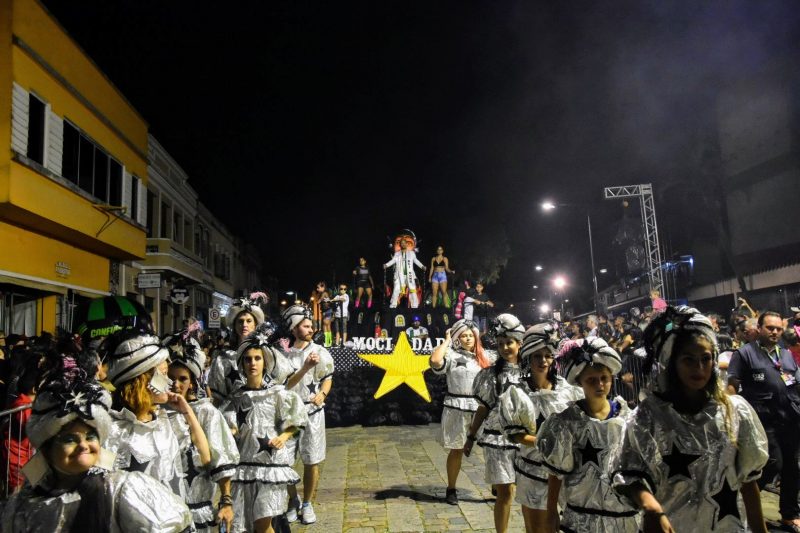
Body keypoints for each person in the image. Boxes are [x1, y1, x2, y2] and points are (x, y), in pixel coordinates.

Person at [612, 306, 769, 533]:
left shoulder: (736, 412)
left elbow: (748, 482)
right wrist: (652, 506)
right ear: (671, 362)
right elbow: (630, 474)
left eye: (705, 359)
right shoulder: (649, 417)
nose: (699, 368)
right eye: (688, 360)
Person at [2, 357, 193, 532]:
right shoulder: (23, 503)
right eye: (70, 439)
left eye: (91, 436)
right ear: (47, 446)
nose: (83, 445)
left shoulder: (121, 489)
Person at [537, 337, 638, 533]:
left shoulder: (629, 420)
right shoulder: (566, 423)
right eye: (591, 380)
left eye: (604, 378)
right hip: (581, 519)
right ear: (580, 382)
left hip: (623, 519)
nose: (599, 385)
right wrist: (550, 511)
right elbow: (556, 473)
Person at [103, 330, 211, 499]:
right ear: (142, 380)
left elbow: (204, 458)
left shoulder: (165, 419)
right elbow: (102, 489)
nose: (170, 382)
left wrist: (187, 412)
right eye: (163, 374)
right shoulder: (111, 429)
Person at [498, 323, 583, 532]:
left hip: (565, 474)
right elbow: (515, 434)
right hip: (532, 471)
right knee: (535, 529)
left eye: (547, 356)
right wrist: (544, 444)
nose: (543, 361)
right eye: (537, 356)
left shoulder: (568, 390)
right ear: (528, 358)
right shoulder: (518, 392)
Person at [222, 330, 308, 533]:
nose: (253, 363)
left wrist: (284, 436)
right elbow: (227, 423)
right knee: (246, 525)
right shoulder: (236, 397)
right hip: (244, 468)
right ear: (242, 364)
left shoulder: (277, 394)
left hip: (270, 466)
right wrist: (231, 428)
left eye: (257, 358)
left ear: (265, 362)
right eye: (248, 359)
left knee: (263, 524)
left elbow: (297, 420)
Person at [727, 310, 800, 531]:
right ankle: (743, 503)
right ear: (759, 329)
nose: (775, 332)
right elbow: (732, 386)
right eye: (770, 328)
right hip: (762, 421)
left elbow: (794, 380)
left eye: (778, 328)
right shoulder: (745, 354)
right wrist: (727, 415)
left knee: (792, 468)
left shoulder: (785, 353)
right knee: (772, 463)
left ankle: (789, 514)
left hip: (790, 418)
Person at [165, 326, 240, 532]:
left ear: (192, 382)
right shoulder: (156, 412)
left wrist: (226, 501)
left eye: (182, 379)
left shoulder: (206, 412)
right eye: (171, 378)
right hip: (165, 514)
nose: (175, 385)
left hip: (198, 510)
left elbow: (221, 458)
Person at [465, 314, 523, 533]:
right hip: (497, 440)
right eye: (500, 344)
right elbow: (483, 408)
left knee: (528, 493)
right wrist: (471, 437)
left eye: (509, 342)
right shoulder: (489, 375)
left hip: (525, 442)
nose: (505, 347)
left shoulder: (531, 373)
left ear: (519, 343)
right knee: (505, 493)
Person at [429, 319, 495, 505]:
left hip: (481, 409)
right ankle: (451, 489)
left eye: (470, 336)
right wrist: (447, 340)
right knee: (456, 450)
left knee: (491, 448)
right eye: (464, 336)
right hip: (456, 408)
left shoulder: (484, 356)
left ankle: (496, 483)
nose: (468, 339)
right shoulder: (450, 355)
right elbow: (435, 361)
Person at [281, 305, 335, 525]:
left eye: (311, 325)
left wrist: (323, 393)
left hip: (312, 412)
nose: (311, 328)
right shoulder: (282, 353)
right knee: (284, 461)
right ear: (294, 329)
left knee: (311, 460)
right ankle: (293, 500)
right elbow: (284, 384)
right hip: (289, 415)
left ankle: (307, 503)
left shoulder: (320, 351)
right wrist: (304, 368)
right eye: (305, 325)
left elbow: (327, 376)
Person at [208, 292, 272, 405]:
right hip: (232, 415)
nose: (244, 325)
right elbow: (217, 396)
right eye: (240, 321)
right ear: (234, 325)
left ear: (255, 324)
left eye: (248, 321)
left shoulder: (266, 353)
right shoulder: (223, 358)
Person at [384, 237, 426, 308]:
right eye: (401, 243)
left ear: (406, 244)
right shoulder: (397, 254)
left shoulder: (412, 253)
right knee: (396, 289)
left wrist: (422, 266)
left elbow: (416, 261)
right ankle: (393, 305)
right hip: (399, 275)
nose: (403, 244)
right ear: (400, 245)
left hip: (409, 274)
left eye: (404, 243)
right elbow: (392, 261)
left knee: (412, 289)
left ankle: (415, 306)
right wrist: (386, 265)